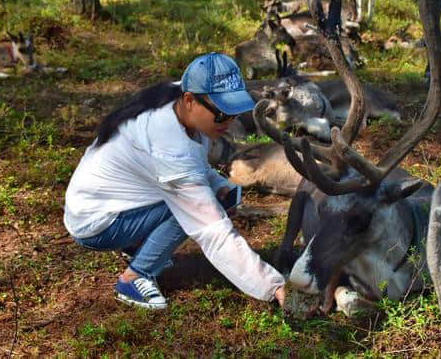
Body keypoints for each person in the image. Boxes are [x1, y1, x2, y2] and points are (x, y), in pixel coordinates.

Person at [64, 52, 286, 310]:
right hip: (98, 224)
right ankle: (134, 278)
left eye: (234, 113)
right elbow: (213, 231)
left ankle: (137, 245)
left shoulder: (173, 99)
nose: (230, 122)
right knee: (197, 206)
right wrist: (274, 286)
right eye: (222, 114)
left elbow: (192, 164)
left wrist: (218, 183)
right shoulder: (166, 142)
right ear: (190, 100)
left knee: (213, 194)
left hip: (101, 204)